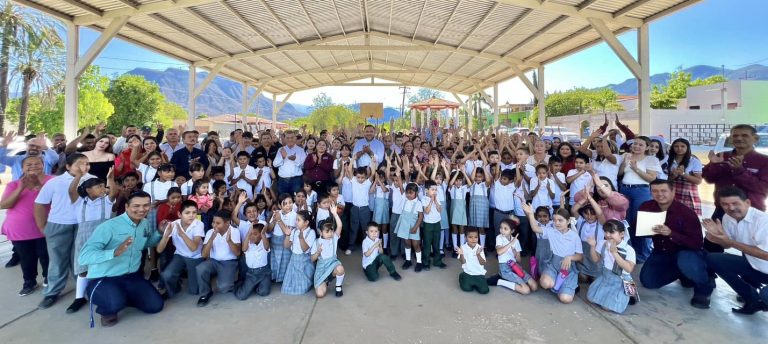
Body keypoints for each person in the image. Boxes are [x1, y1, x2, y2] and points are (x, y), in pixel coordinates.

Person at [78, 191, 164, 327]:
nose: (141, 210)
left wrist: (159, 232)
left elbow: (145, 244)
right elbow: (83, 257)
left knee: (155, 306)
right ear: (126, 207)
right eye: (136, 206)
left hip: (131, 276)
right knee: (114, 303)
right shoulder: (108, 227)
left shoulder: (145, 223)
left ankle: (123, 296)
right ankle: (105, 306)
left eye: (146, 205)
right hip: (105, 278)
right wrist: (113, 252)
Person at [638, 180, 714, 309]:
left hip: (687, 252)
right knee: (648, 282)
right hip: (661, 251)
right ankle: (683, 272)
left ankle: (704, 288)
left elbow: (697, 243)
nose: (659, 194)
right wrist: (643, 228)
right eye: (655, 191)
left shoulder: (686, 213)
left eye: (663, 191)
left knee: (686, 260)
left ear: (673, 192)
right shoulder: (646, 207)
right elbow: (638, 231)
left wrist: (671, 233)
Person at [35, 153, 92, 309]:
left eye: (87, 164)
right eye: (80, 164)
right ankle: (52, 292)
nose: (84, 167)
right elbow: (40, 203)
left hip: (83, 225)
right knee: (58, 260)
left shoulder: (92, 179)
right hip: (58, 224)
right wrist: (42, 226)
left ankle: (82, 292)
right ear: (68, 166)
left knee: (80, 259)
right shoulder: (55, 182)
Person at [702, 186, 768, 315]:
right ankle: (752, 300)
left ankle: (763, 300)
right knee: (713, 259)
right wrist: (718, 237)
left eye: (735, 203)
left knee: (766, 295)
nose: (731, 208)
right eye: (725, 204)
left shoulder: (763, 221)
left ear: (748, 203)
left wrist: (730, 242)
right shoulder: (728, 218)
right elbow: (727, 246)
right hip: (754, 266)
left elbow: (766, 255)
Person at [703, 124, 768, 251]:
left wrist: (740, 171)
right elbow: (709, 179)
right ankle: (710, 270)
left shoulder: (764, 161)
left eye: (744, 135)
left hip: (752, 212)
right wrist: (714, 165)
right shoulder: (723, 156)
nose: (739, 138)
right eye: (735, 136)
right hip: (723, 209)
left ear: (755, 139)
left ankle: (749, 271)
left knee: (752, 250)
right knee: (711, 244)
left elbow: (763, 188)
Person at [66, 168, 119, 314]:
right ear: (88, 189)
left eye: (103, 186)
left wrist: (110, 178)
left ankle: (105, 293)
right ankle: (79, 298)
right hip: (84, 239)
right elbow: (72, 191)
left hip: (104, 238)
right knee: (83, 270)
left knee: (105, 267)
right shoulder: (79, 202)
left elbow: (113, 191)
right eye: (99, 186)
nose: (103, 189)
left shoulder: (106, 201)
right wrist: (78, 176)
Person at [1, 156, 52, 296]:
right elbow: (4, 204)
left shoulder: (52, 181)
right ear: (22, 168)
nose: (33, 166)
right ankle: (29, 282)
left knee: (46, 255)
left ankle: (49, 279)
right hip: (20, 229)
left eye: (37, 163)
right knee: (26, 257)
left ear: (43, 165)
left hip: (44, 227)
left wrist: (42, 186)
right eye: (29, 164)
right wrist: (20, 188)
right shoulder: (13, 184)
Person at [523, 204, 583, 304]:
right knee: (545, 283)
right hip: (554, 265)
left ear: (568, 221)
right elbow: (535, 228)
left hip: (568, 268)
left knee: (565, 299)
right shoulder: (551, 231)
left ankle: (567, 287)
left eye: (560, 220)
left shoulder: (574, 236)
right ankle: (561, 286)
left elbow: (580, 256)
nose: (557, 223)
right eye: (554, 220)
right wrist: (530, 214)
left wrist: (569, 257)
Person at [618, 136, 662, 263]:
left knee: (642, 222)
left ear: (647, 147)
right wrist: (624, 163)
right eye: (635, 144)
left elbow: (652, 178)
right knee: (627, 221)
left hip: (641, 191)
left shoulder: (651, 159)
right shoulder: (627, 156)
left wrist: (636, 168)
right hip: (625, 189)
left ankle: (643, 255)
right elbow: (620, 174)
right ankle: (630, 251)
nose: (636, 146)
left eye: (640, 145)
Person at [585, 220, 637, 314]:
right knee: (591, 298)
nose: (608, 234)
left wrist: (615, 253)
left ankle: (628, 294)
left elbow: (629, 269)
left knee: (606, 307)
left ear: (622, 234)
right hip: (606, 276)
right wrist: (593, 246)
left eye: (611, 232)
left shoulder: (629, 249)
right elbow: (596, 259)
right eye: (606, 231)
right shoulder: (603, 243)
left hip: (621, 279)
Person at [157, 200, 205, 298]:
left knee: (194, 291)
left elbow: (193, 248)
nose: (191, 215)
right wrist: (165, 236)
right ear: (179, 214)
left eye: (194, 212)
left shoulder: (199, 224)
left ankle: (202, 274)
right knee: (167, 275)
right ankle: (175, 288)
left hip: (195, 257)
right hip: (180, 255)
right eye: (187, 213)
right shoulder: (173, 224)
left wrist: (182, 234)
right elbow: (159, 250)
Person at [196, 210, 241, 307]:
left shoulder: (235, 231)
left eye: (218, 223)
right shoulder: (210, 232)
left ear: (227, 223)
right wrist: (211, 239)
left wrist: (229, 241)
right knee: (200, 268)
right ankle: (205, 293)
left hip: (229, 262)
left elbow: (237, 253)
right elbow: (204, 255)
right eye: (213, 222)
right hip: (213, 261)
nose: (214, 225)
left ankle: (231, 278)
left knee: (223, 288)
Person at [488, 218, 538, 294]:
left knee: (534, 286)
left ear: (512, 231)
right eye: (501, 228)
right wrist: (511, 243)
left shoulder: (516, 241)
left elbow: (519, 260)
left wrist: (516, 254)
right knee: (526, 290)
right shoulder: (499, 237)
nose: (502, 230)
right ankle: (500, 281)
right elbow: (499, 252)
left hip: (515, 266)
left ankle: (503, 276)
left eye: (505, 229)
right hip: (504, 267)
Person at [311, 209, 345, 297]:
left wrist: (335, 214)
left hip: (333, 264)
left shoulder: (334, 238)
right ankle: (325, 281)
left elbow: (340, 226)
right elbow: (312, 259)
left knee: (340, 269)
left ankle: (338, 287)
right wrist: (318, 252)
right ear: (321, 232)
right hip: (322, 268)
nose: (330, 233)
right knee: (320, 294)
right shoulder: (316, 242)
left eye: (331, 231)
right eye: (327, 231)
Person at [282, 210, 316, 295]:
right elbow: (286, 246)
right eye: (296, 220)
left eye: (298, 220)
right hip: (293, 261)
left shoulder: (311, 232)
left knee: (302, 288)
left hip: (304, 262)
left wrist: (301, 238)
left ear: (306, 222)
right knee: (287, 287)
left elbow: (305, 249)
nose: (296, 222)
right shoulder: (294, 231)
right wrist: (288, 235)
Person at [666, 138, 703, 216]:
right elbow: (665, 180)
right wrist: (674, 175)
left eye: (682, 146)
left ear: (687, 148)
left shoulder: (693, 161)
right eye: (676, 146)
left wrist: (683, 174)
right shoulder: (668, 160)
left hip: (687, 193)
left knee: (688, 218)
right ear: (672, 147)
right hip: (671, 192)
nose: (679, 148)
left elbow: (698, 181)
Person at [234, 223, 272, 300]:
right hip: (252, 274)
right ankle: (239, 285)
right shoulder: (248, 244)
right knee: (241, 296)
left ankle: (255, 286)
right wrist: (248, 234)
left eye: (255, 234)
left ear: (261, 235)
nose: (252, 236)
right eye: (250, 234)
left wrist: (263, 234)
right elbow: (244, 249)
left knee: (264, 292)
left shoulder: (264, 243)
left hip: (264, 273)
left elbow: (267, 247)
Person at [394, 183, 424, 272]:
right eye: (407, 193)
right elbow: (401, 189)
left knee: (416, 244)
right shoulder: (405, 199)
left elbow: (421, 217)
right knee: (407, 243)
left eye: (411, 193)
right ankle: (408, 260)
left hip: (413, 226)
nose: (409, 195)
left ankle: (419, 262)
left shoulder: (418, 203)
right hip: (404, 225)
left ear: (416, 193)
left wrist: (415, 227)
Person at [268, 193, 296, 283]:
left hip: (285, 241)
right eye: (285, 203)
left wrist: (279, 220)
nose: (288, 205)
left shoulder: (294, 215)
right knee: (275, 260)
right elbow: (269, 229)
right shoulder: (277, 213)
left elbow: (287, 232)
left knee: (285, 260)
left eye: (290, 202)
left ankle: (283, 279)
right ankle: (275, 277)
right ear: (280, 205)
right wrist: (274, 220)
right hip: (275, 241)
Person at [421, 179, 447, 270]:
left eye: (436, 190)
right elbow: (427, 211)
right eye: (432, 189)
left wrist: (435, 201)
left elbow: (440, 210)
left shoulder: (438, 197)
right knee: (427, 244)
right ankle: (425, 262)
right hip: (428, 224)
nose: (435, 191)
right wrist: (431, 201)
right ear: (426, 190)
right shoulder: (424, 199)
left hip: (437, 223)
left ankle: (437, 261)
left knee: (436, 244)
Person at [456, 228, 489, 295]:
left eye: (476, 237)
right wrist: (461, 254)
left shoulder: (480, 248)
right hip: (468, 273)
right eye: (470, 237)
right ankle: (462, 276)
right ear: (465, 238)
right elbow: (463, 262)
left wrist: (478, 254)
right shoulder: (463, 247)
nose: (473, 239)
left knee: (484, 291)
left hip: (479, 274)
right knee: (467, 289)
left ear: (478, 238)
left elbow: (482, 262)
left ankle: (476, 282)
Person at [273, 130, 306, 195]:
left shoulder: (301, 150)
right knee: (282, 200)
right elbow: (275, 164)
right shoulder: (281, 149)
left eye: (292, 137)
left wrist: (295, 159)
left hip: (296, 180)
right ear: (284, 139)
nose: (290, 139)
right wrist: (282, 157)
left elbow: (304, 165)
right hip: (282, 180)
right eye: (288, 138)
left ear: (295, 138)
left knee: (296, 200)